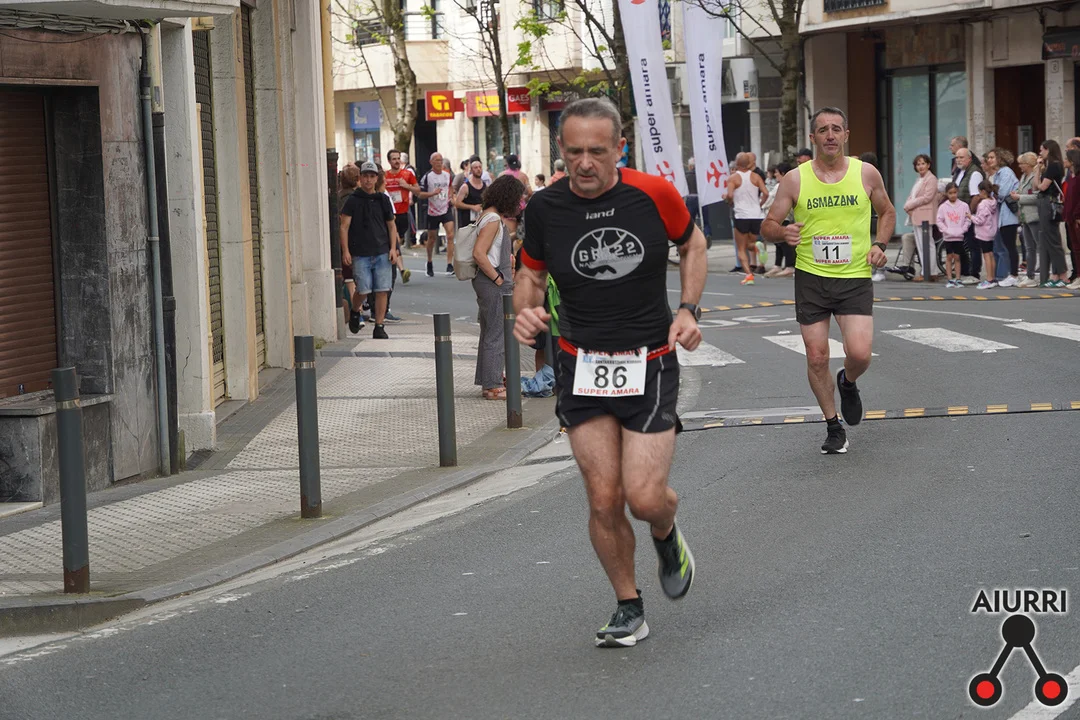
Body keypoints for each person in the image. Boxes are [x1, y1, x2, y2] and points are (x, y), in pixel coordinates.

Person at [512, 97, 708, 648]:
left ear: (620, 148)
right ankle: (628, 606)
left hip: (649, 360)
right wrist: (524, 310)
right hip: (580, 364)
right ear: (560, 149)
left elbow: (693, 243)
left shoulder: (654, 194)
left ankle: (665, 528)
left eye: (597, 151)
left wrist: (688, 309)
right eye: (574, 151)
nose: (584, 163)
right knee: (603, 497)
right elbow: (530, 274)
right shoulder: (545, 207)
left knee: (644, 498)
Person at [761, 106, 895, 455]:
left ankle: (848, 381)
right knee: (817, 356)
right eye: (823, 130)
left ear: (846, 135)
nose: (830, 135)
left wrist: (880, 244)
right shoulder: (795, 179)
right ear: (813, 137)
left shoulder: (866, 173)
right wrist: (782, 232)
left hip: (854, 277)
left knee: (860, 354)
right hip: (812, 278)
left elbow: (887, 212)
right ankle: (833, 426)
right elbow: (768, 225)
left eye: (837, 129)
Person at [470, 176, 525, 400]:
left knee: (489, 331)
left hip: (487, 282)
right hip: (492, 283)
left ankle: (488, 380)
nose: (519, 203)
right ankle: (492, 386)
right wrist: (498, 279)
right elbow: (479, 253)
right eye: (517, 198)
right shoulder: (493, 219)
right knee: (497, 334)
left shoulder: (486, 216)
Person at [339, 161, 399, 339]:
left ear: (376, 179)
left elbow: (391, 226)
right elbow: (344, 226)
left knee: (382, 289)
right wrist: (346, 250)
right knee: (363, 289)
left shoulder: (383, 200)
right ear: (360, 178)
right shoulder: (353, 200)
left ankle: (379, 326)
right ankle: (355, 310)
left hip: (382, 251)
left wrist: (393, 249)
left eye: (372, 176)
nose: (368, 180)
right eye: (365, 176)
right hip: (360, 253)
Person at [726, 152, 769, 285]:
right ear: (749, 163)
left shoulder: (733, 178)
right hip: (756, 215)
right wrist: (759, 204)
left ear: (737, 163)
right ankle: (757, 246)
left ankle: (749, 275)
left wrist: (728, 200)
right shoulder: (756, 176)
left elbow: (730, 195)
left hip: (741, 215)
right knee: (751, 243)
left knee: (741, 248)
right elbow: (766, 193)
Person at [1034, 139, 1070, 287]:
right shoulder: (1052, 165)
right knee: (1049, 240)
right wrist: (1038, 169)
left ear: (1048, 150)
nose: (1040, 153)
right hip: (1046, 202)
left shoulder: (1054, 166)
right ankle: (1056, 275)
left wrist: (1038, 172)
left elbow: (1041, 187)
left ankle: (1063, 275)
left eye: (1042, 150)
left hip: (1048, 203)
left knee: (1053, 240)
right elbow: (1035, 186)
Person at [900, 153, 939, 282]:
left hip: (926, 214)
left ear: (928, 165)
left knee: (926, 244)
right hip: (918, 214)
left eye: (923, 163)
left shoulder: (931, 179)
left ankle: (930, 272)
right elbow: (912, 195)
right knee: (921, 244)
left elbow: (927, 197)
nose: (921, 166)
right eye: (918, 164)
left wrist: (910, 204)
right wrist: (908, 205)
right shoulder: (919, 179)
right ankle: (926, 270)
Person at [984, 148, 1020, 287]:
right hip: (1002, 215)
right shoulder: (997, 174)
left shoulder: (1006, 172)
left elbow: (1002, 193)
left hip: (1009, 215)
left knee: (1010, 246)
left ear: (1000, 158)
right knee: (1006, 245)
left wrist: (994, 192)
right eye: (988, 158)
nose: (989, 160)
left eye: (992, 157)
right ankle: (1011, 273)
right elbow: (995, 194)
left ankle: (1013, 274)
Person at [417, 152, 456, 277]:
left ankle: (449, 264)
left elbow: (450, 187)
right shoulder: (427, 177)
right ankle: (429, 261)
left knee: (450, 235)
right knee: (432, 238)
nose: (439, 162)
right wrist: (432, 193)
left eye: (441, 160)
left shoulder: (447, 175)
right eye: (437, 160)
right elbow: (420, 194)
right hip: (432, 211)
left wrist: (451, 196)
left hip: (445, 208)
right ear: (431, 162)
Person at [953, 148, 984, 283]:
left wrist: (969, 214)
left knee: (972, 245)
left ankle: (974, 273)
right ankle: (965, 271)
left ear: (969, 158)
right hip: (959, 215)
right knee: (962, 244)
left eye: (961, 157)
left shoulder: (974, 173)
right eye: (957, 157)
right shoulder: (961, 172)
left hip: (970, 215)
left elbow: (976, 196)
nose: (958, 160)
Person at [338, 163, 361, 330]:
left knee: (349, 279)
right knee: (352, 280)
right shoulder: (354, 199)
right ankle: (356, 312)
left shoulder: (338, 197)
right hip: (352, 242)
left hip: (343, 243)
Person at [1014, 152, 1041, 288]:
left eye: (1021, 164)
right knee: (1029, 247)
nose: (1019, 166)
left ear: (1028, 164)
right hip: (1025, 217)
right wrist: (1017, 194)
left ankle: (1043, 274)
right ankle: (1030, 275)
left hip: (1034, 216)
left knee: (1039, 246)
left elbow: (1037, 197)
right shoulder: (1024, 177)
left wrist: (1020, 197)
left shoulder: (1035, 177)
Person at [763, 163, 796, 278]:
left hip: (782, 217)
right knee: (778, 244)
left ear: (782, 173)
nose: (775, 175)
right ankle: (777, 265)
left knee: (785, 243)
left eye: (777, 172)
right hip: (779, 217)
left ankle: (789, 266)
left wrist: (763, 206)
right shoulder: (782, 185)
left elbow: (770, 200)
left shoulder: (783, 186)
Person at [937, 182, 971, 288]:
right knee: (949, 257)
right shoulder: (943, 207)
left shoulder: (964, 206)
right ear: (947, 194)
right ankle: (949, 278)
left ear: (958, 192)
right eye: (950, 193)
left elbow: (967, 219)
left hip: (959, 236)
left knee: (957, 257)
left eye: (955, 192)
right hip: (948, 236)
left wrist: (963, 229)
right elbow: (939, 220)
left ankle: (958, 278)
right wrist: (945, 230)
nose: (953, 195)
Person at [385, 150, 419, 250]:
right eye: (394, 159)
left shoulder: (407, 174)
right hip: (389, 212)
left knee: (398, 240)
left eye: (398, 158)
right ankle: (395, 257)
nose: (397, 161)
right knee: (393, 240)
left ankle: (395, 256)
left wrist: (406, 186)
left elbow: (417, 190)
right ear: (389, 161)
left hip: (402, 212)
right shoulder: (384, 175)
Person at [970, 179, 1000, 289]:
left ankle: (989, 279)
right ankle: (993, 277)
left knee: (986, 255)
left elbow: (980, 220)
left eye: (979, 192)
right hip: (992, 231)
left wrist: (970, 217)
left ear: (983, 191)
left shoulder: (983, 204)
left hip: (984, 233)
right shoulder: (993, 201)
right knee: (991, 254)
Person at [500, 154, 532, 239]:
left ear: (507, 164)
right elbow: (530, 192)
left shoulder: (501, 175)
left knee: (508, 236)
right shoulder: (523, 176)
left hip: (507, 209)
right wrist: (524, 198)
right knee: (519, 236)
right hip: (520, 208)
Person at [1062, 148, 1080, 288]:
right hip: (1070, 218)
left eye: (1066, 159)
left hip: (1076, 218)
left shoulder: (1078, 178)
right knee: (1075, 248)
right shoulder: (1072, 178)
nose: (1064, 161)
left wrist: (1077, 215)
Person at [453, 159, 488, 227]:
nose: (478, 169)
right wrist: (472, 207)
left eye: (480, 167)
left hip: (481, 221)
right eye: (476, 167)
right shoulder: (465, 187)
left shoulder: (485, 186)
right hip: (467, 223)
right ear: (471, 170)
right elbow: (457, 203)